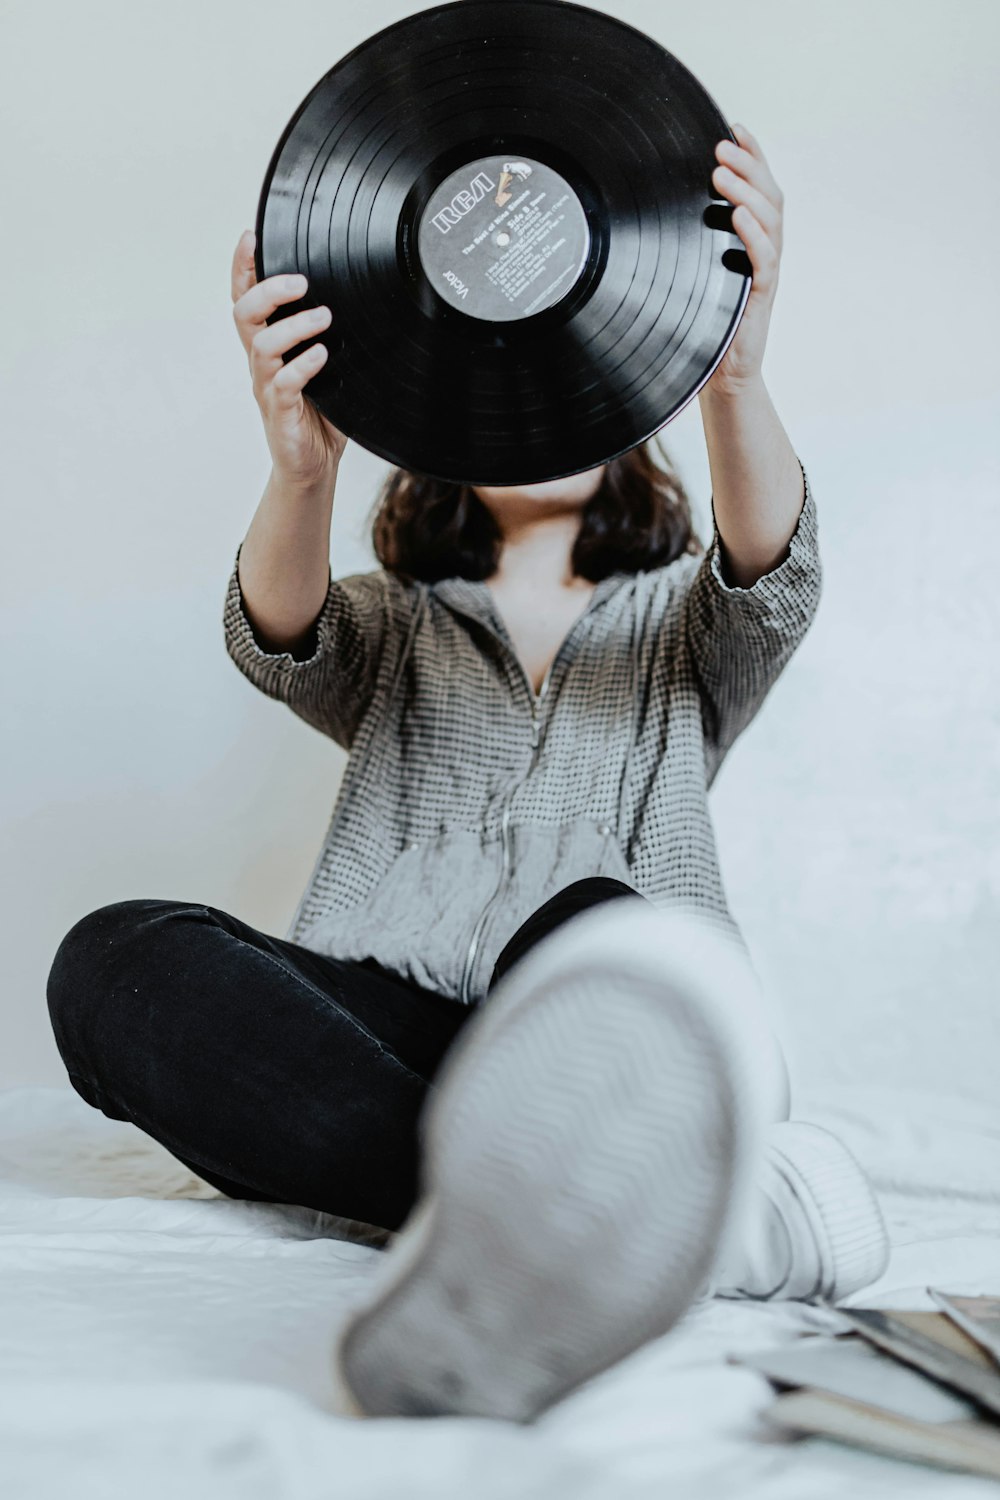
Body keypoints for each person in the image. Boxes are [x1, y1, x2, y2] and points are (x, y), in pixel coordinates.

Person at [47, 124, 888, 1423]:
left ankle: (588, 1181)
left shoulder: (684, 621)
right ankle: (635, 1221)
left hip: (602, 1032)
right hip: (370, 1027)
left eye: (569, 378)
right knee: (114, 955)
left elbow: (774, 575)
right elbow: (278, 637)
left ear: (621, 405)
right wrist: (301, 467)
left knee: (601, 922)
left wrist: (734, 379)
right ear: (449, 437)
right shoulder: (393, 621)